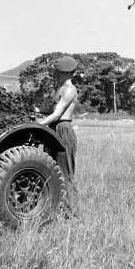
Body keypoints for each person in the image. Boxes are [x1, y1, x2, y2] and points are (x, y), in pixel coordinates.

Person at [38, 55, 78, 183]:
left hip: (63, 129)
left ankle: (69, 201)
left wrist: (39, 125)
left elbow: (57, 115)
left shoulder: (70, 90)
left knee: (64, 171)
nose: (57, 75)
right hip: (54, 129)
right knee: (51, 168)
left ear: (70, 74)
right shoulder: (60, 89)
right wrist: (36, 110)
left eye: (60, 73)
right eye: (57, 72)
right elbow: (52, 110)